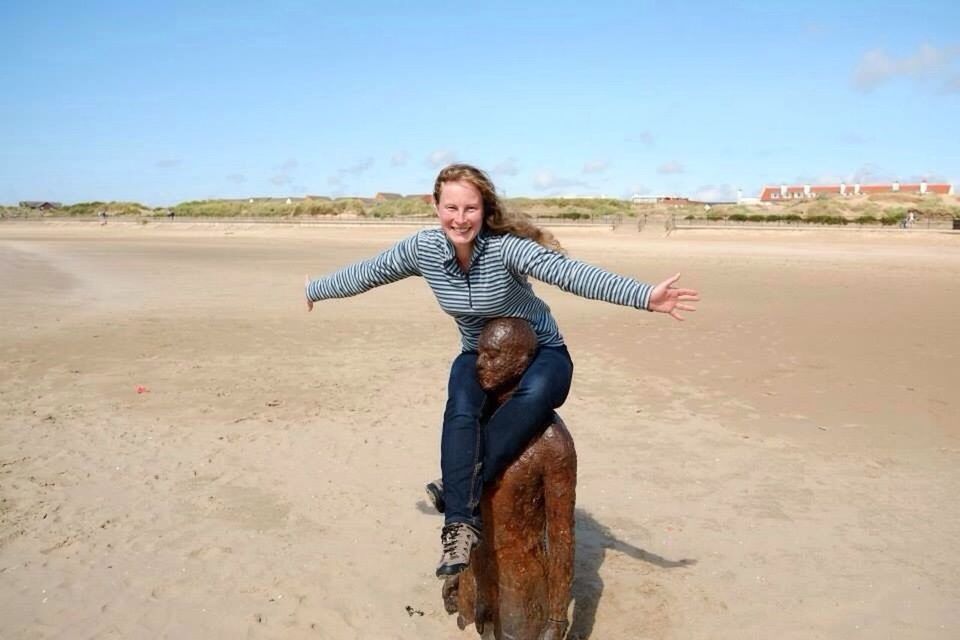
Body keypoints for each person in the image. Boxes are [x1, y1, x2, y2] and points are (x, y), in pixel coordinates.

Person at [304, 163, 699, 578]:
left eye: (470, 208)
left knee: (532, 398)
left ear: (484, 209)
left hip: (543, 351)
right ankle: (458, 526)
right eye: (451, 207)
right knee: (460, 408)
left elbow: (571, 275)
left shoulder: (506, 249)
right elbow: (369, 272)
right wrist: (315, 289)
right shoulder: (421, 250)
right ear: (436, 207)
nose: (460, 218)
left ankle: (457, 488)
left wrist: (644, 296)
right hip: (478, 353)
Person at [442, 317, 577, 640]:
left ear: (521, 363)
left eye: (493, 355)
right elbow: (464, 509)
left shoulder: (551, 442)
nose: (480, 364)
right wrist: (458, 576)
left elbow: (561, 536)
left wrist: (557, 618)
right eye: (479, 353)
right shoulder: (474, 426)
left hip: (520, 581)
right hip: (477, 573)